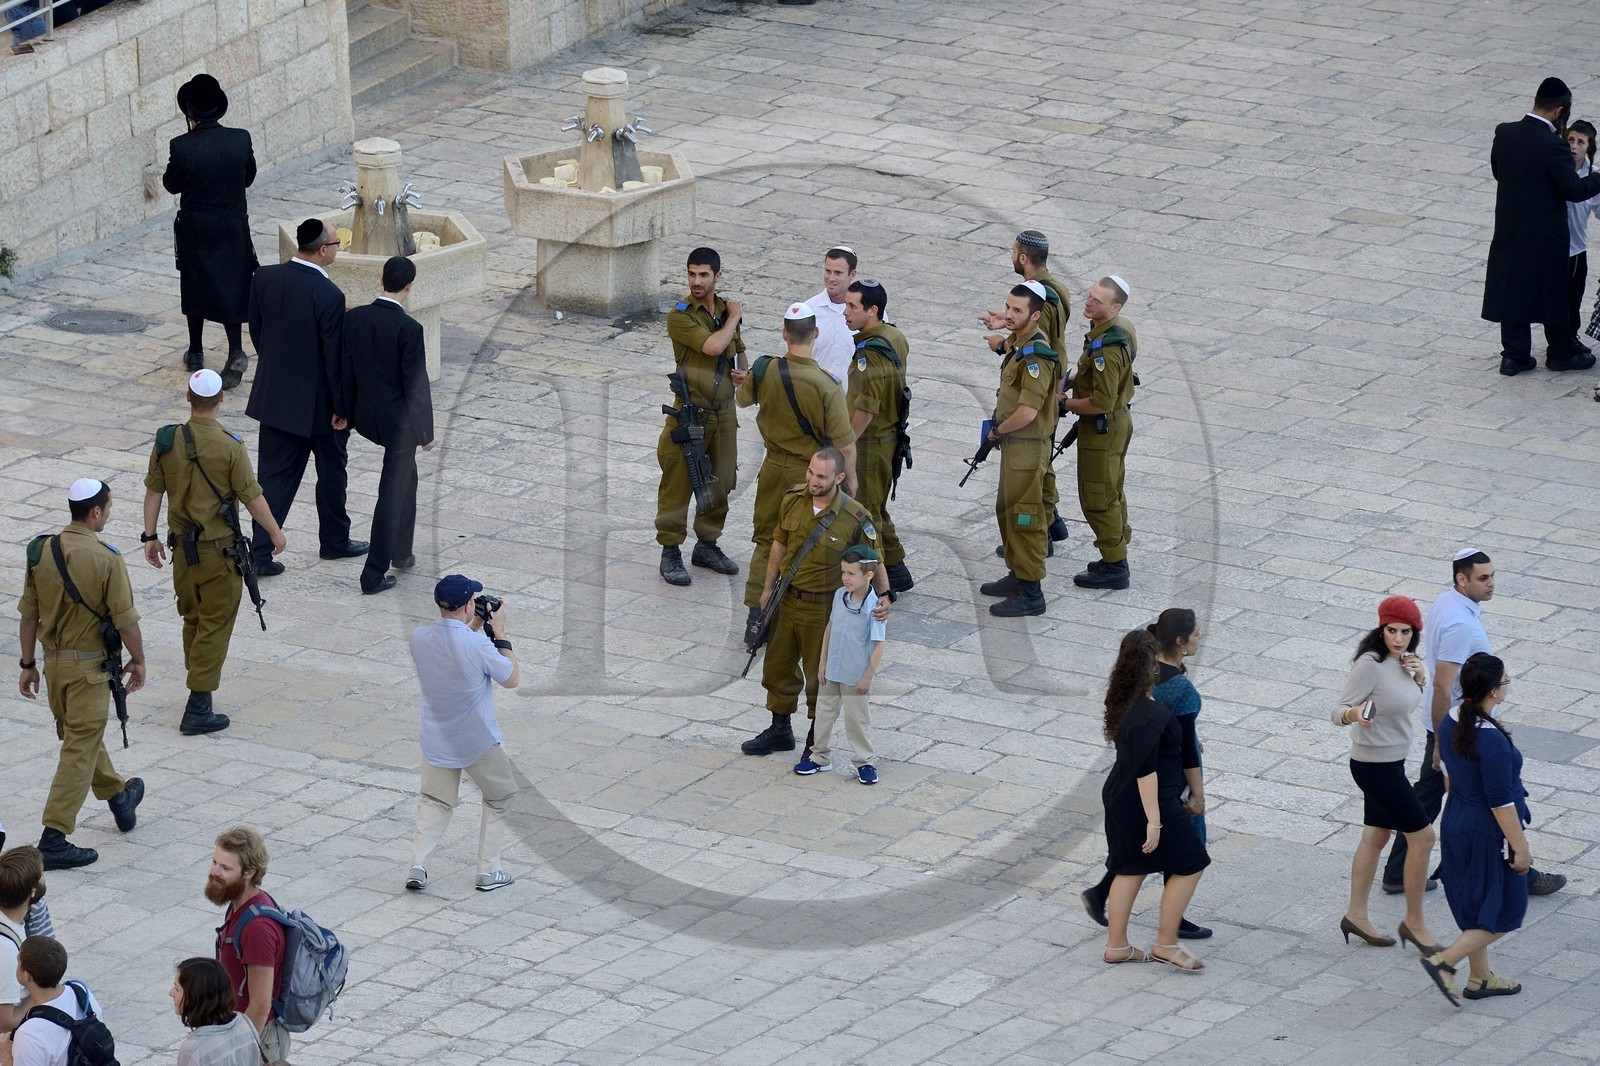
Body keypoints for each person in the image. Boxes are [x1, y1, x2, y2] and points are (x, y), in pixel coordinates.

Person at [1382, 550, 1565, 896]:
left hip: (1452, 727)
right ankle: (1520, 872)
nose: (1492, 583)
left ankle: (1397, 872)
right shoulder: (1461, 624)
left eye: (1492, 575)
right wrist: (1440, 741)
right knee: (1496, 796)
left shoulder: (1446, 604)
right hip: (1460, 731)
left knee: (1429, 796)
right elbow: (1442, 683)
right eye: (1483, 578)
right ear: (1460, 579)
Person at [142, 369, 285, 736]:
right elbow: (252, 498)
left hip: (180, 552)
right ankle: (198, 704)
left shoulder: (167, 440)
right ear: (222, 399)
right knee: (215, 624)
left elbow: (154, 492)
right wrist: (274, 532)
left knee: (192, 618)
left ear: (188, 398)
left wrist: (150, 536)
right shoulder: (229, 446)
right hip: (218, 553)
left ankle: (197, 681)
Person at [16, 478, 146, 870]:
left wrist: (27, 664)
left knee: (80, 736)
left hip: (54, 668)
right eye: (108, 508)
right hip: (89, 669)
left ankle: (120, 798)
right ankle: (54, 838)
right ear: (95, 512)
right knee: (78, 748)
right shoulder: (107, 557)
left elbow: (29, 613)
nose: (109, 513)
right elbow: (125, 621)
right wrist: (138, 660)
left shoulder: (42, 550)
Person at [742, 448, 890, 757]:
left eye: (821, 476)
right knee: (777, 667)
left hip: (823, 608)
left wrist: (885, 596)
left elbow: (874, 561)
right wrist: (768, 589)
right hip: (787, 599)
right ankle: (779, 728)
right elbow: (779, 544)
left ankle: (815, 738)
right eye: (811, 472)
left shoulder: (854, 517)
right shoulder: (793, 499)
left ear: (839, 477)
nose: (812, 480)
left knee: (818, 674)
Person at [1081, 609, 1212, 941]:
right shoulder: (1178, 687)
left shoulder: (1131, 686)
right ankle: (1171, 927)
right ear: (1180, 641)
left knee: (1137, 855)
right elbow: (1185, 753)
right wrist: (1197, 793)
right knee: (1188, 851)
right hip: (1163, 777)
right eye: (1196, 633)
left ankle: (1108, 910)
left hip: (1125, 776)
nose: (1200, 638)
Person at [245, 218, 365, 577]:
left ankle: (260, 555)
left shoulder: (264, 278)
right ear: (323, 250)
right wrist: (342, 407)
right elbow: (334, 357)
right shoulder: (329, 295)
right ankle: (334, 540)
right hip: (320, 410)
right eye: (336, 243)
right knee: (331, 474)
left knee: (272, 479)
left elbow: (257, 331)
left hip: (276, 400)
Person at [1420, 654, 1532, 1005]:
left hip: (1456, 819)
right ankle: (1445, 962)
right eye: (1506, 680)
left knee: (1476, 904)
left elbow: (1453, 779)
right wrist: (1521, 846)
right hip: (1485, 828)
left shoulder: (1452, 720)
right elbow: (1501, 803)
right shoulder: (1494, 743)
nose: (1508, 685)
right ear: (1494, 691)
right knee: (1505, 910)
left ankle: (1480, 978)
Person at [1333, 596, 1442, 955]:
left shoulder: (1405, 662)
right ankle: (1414, 922)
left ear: (1415, 633)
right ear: (1381, 630)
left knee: (1376, 836)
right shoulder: (1370, 664)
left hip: (1392, 762)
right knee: (1423, 837)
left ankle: (1356, 916)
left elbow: (1405, 700)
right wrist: (1356, 714)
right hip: (1373, 766)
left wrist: (1422, 678)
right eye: (1391, 631)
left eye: (1405, 632)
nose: (1398, 638)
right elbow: (1336, 711)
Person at [736, 304, 858, 626]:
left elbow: (742, 399)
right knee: (807, 541)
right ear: (815, 334)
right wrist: (851, 478)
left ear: (784, 334)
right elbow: (845, 443)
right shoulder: (826, 385)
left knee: (766, 540)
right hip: (810, 476)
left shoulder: (765, 370)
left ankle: (755, 616)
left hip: (773, 469)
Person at [407, 574, 521, 893]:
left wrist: (473, 626)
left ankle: (418, 865)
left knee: (434, 800)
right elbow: (511, 678)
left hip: (436, 737)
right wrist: (498, 631)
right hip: (476, 740)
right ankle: (488, 871)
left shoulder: (419, 638)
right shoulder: (478, 644)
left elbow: (454, 649)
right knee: (502, 796)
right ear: (469, 604)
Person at [1483, 77, 1600, 375]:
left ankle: (1514, 355)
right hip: (1547, 236)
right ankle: (1560, 353)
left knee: (1513, 287)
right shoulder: (1553, 146)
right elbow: (1573, 190)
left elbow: (1500, 172)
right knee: (1554, 292)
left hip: (1510, 228)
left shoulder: (1505, 133)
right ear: (1561, 111)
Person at [343, 256, 435, 595]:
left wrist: (344, 411)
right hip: (400, 425)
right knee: (392, 493)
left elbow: (346, 369)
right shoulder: (409, 329)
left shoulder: (355, 317)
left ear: (381, 279)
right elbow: (416, 384)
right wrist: (425, 433)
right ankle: (373, 573)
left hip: (366, 416)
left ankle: (402, 551)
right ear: (410, 286)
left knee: (407, 480)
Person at [655, 248, 745, 587]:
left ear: (716, 277)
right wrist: (734, 317)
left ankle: (707, 544)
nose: (696, 281)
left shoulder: (723, 310)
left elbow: (737, 350)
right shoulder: (681, 315)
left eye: (704, 275)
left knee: (721, 481)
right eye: (692, 274)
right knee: (678, 481)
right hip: (691, 414)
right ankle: (670, 550)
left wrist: (742, 374)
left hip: (723, 412)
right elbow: (713, 346)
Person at [162, 74, 258, 385]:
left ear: (190, 113)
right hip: (232, 225)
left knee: (195, 284)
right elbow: (248, 178)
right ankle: (236, 349)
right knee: (231, 284)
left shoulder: (181, 146)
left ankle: (196, 350)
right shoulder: (240, 139)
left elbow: (170, 184)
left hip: (197, 227)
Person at [980, 229, 1073, 545]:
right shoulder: (1057, 289)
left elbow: (1033, 344)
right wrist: (1006, 324)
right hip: (1052, 379)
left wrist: (1001, 343)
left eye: (1013, 251)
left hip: (1042, 388)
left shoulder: (1041, 302)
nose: (1011, 256)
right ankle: (1052, 522)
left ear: (1022, 257)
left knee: (1036, 464)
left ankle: (1039, 532)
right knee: (1042, 461)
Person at [978, 281, 1061, 617]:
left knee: (1025, 517)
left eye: (1017, 311)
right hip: (1015, 448)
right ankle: (1018, 573)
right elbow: (1011, 346)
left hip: (1026, 447)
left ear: (1036, 315)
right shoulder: (1022, 344)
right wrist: (1003, 331)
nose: (1009, 315)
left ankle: (1031, 590)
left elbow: (1027, 411)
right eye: (1008, 308)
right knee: (1006, 509)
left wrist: (998, 430)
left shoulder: (1037, 356)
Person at [841, 278, 914, 594]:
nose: (845, 312)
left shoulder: (868, 353)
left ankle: (879, 586)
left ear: (872, 310)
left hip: (869, 446)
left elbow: (866, 409)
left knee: (862, 515)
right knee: (877, 509)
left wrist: (845, 446)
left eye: (852, 306)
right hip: (888, 441)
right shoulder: (893, 335)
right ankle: (896, 568)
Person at [793, 545, 888, 784]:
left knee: (857, 719)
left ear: (868, 575)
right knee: (824, 714)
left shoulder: (875, 607)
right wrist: (822, 661)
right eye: (843, 572)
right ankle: (819, 757)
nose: (845, 578)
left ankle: (864, 762)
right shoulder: (839, 595)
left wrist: (867, 677)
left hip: (855, 675)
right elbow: (830, 627)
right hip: (832, 670)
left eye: (851, 574)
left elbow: (878, 645)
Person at [1065, 276, 1137, 591]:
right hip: (1117, 424)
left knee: (1099, 497)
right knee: (1112, 490)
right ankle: (1114, 553)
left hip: (1102, 428)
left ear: (1115, 307)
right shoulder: (1118, 328)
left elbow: (1100, 402)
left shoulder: (1106, 348)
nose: (1089, 302)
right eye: (1091, 296)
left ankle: (1115, 564)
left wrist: (1065, 402)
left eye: (1098, 300)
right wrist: (1071, 379)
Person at [207, 826, 289, 1065]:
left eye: (225, 868)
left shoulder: (257, 928)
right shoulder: (238, 904)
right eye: (214, 862)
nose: (214, 872)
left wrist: (236, 1051)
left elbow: (261, 1005)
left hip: (257, 1039)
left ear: (249, 872)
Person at [0, 937, 105, 1066]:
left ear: (26, 975)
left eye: (18, 962)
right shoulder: (81, 993)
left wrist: (6, 1059)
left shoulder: (30, 1034)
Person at [171, 957, 261, 1066]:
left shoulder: (194, 1050)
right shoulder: (245, 1022)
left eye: (177, 988)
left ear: (196, 996)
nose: (171, 993)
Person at [1563, 120, 1600, 357]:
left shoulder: (1592, 175)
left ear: (1589, 147)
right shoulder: (1556, 168)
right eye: (1571, 140)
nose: (1574, 146)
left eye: (1580, 142)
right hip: (1550, 245)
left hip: (1575, 248)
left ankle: (1569, 337)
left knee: (1573, 296)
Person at [0, 847, 44, 1031]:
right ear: (32, 891)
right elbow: (4, 1022)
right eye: (42, 873)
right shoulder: (6, 951)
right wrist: (39, 995)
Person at [805, 246, 859, 382]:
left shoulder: (867, 313)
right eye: (828, 271)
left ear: (852, 274)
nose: (831, 278)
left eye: (838, 273)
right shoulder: (808, 310)